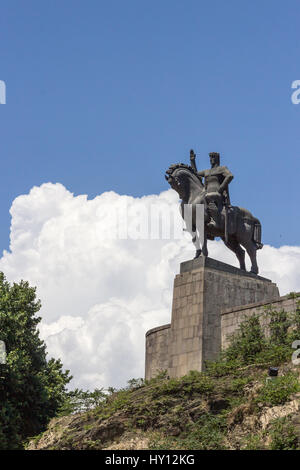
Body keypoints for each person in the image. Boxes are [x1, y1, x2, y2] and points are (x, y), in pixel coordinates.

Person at [190, 150, 234, 230]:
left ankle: (216, 222)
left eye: (213, 157)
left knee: (209, 196)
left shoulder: (222, 169)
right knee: (196, 201)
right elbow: (195, 174)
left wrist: (221, 187)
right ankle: (195, 222)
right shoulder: (207, 171)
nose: (211, 159)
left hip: (216, 194)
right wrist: (192, 161)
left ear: (217, 159)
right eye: (210, 157)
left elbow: (230, 176)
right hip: (206, 193)